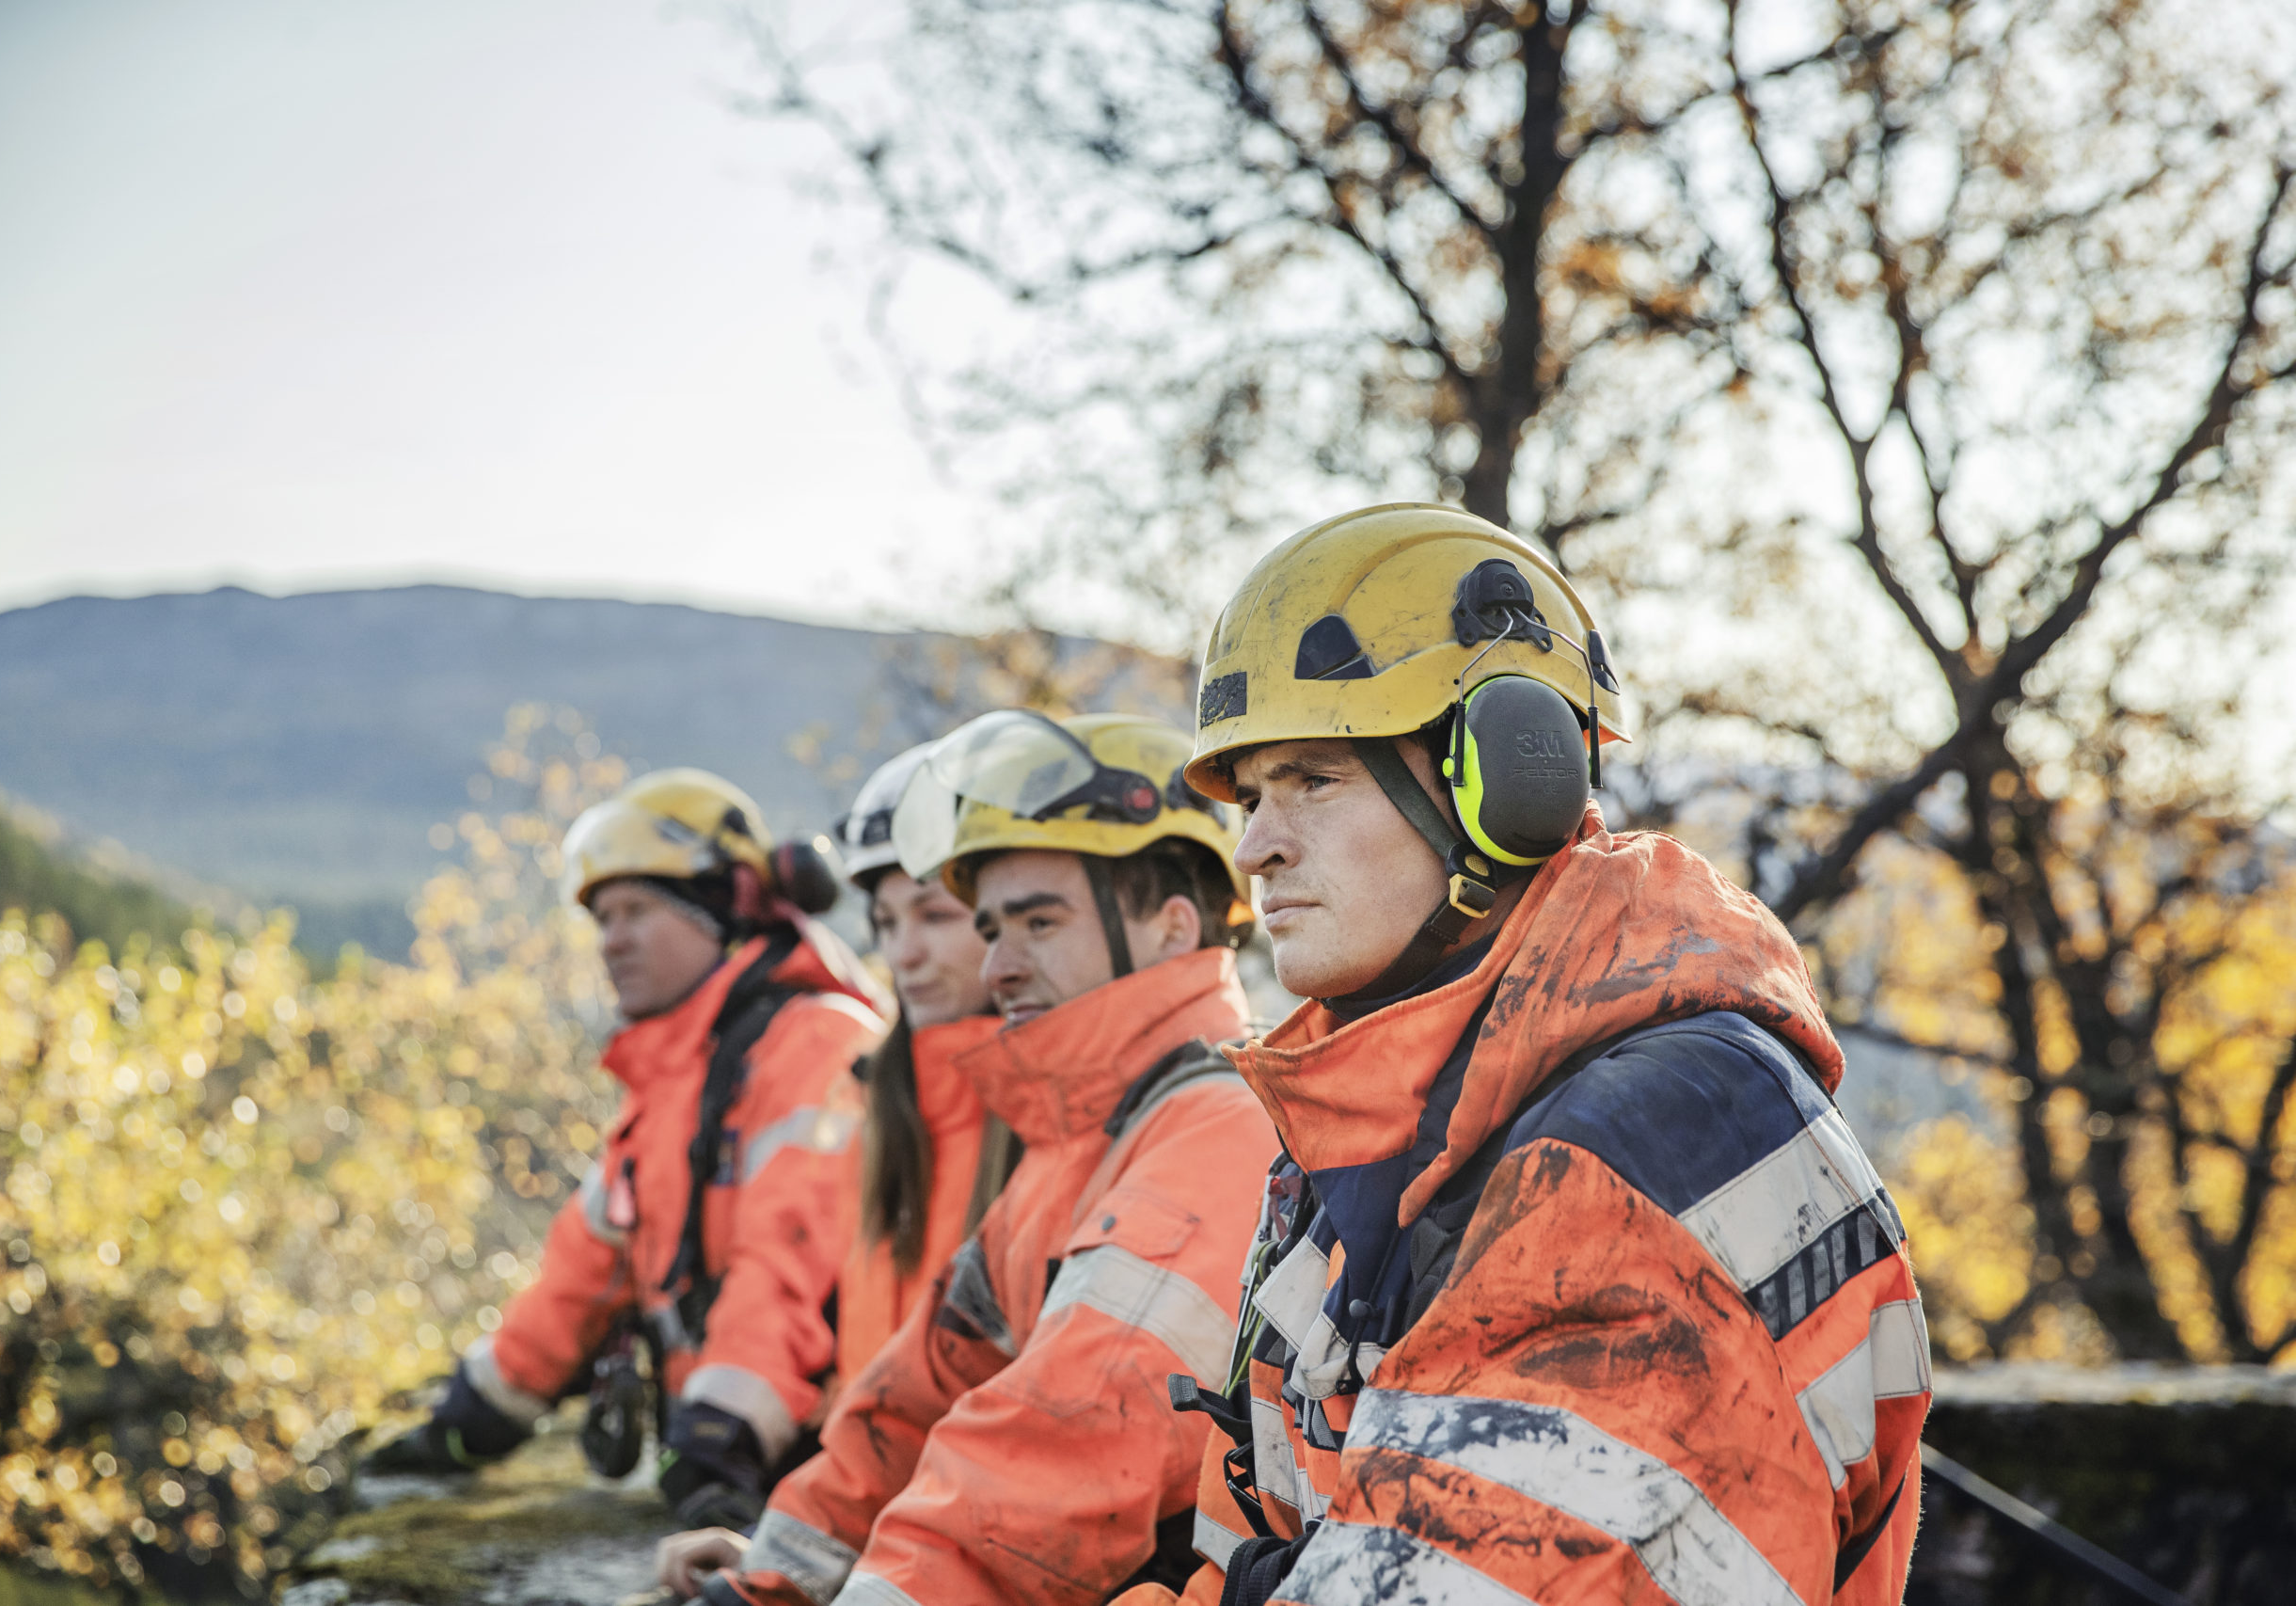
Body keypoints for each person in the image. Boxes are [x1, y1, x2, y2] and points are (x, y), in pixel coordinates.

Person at [1118, 502, 1930, 1605]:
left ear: (1505, 781)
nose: (1255, 845)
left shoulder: (1639, 1145)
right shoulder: (1388, 1129)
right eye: (1252, 797)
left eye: (1312, 779)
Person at [671, 712, 1282, 1606]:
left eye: (1039, 921)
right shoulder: (1080, 1147)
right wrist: (773, 1575)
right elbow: (911, 1402)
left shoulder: (1216, 1130)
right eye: (992, 928)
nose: (999, 964)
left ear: (1171, 925)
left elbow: (1057, 1451)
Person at [364, 769, 888, 1534]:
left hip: (813, 1470)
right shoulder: (674, 1081)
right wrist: (469, 1421)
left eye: (637, 910)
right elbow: (580, 1275)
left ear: (722, 910)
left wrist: (718, 1438)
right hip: (733, 1464)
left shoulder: (818, 1043)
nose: (612, 940)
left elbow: (791, 1264)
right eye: (604, 918)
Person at [826, 743, 1020, 1377]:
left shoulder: (1057, 1109)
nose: (902, 953)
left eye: (934, 915)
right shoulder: (882, 1100)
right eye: (885, 922)